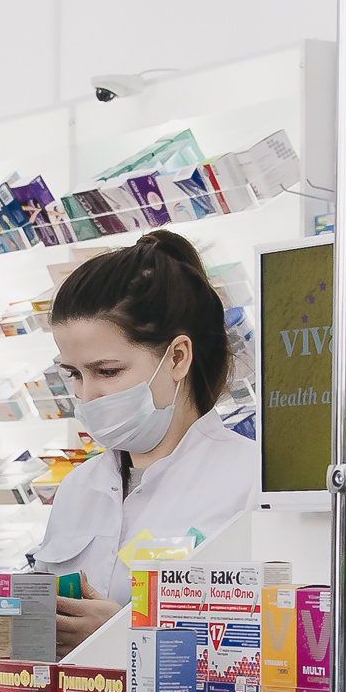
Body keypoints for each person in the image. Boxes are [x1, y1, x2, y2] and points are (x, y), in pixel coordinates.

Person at [32, 229, 259, 655]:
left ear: (177, 357)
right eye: (74, 374)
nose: (86, 396)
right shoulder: (78, 489)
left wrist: (123, 636)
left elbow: (275, 652)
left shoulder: (251, 484)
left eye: (108, 371)